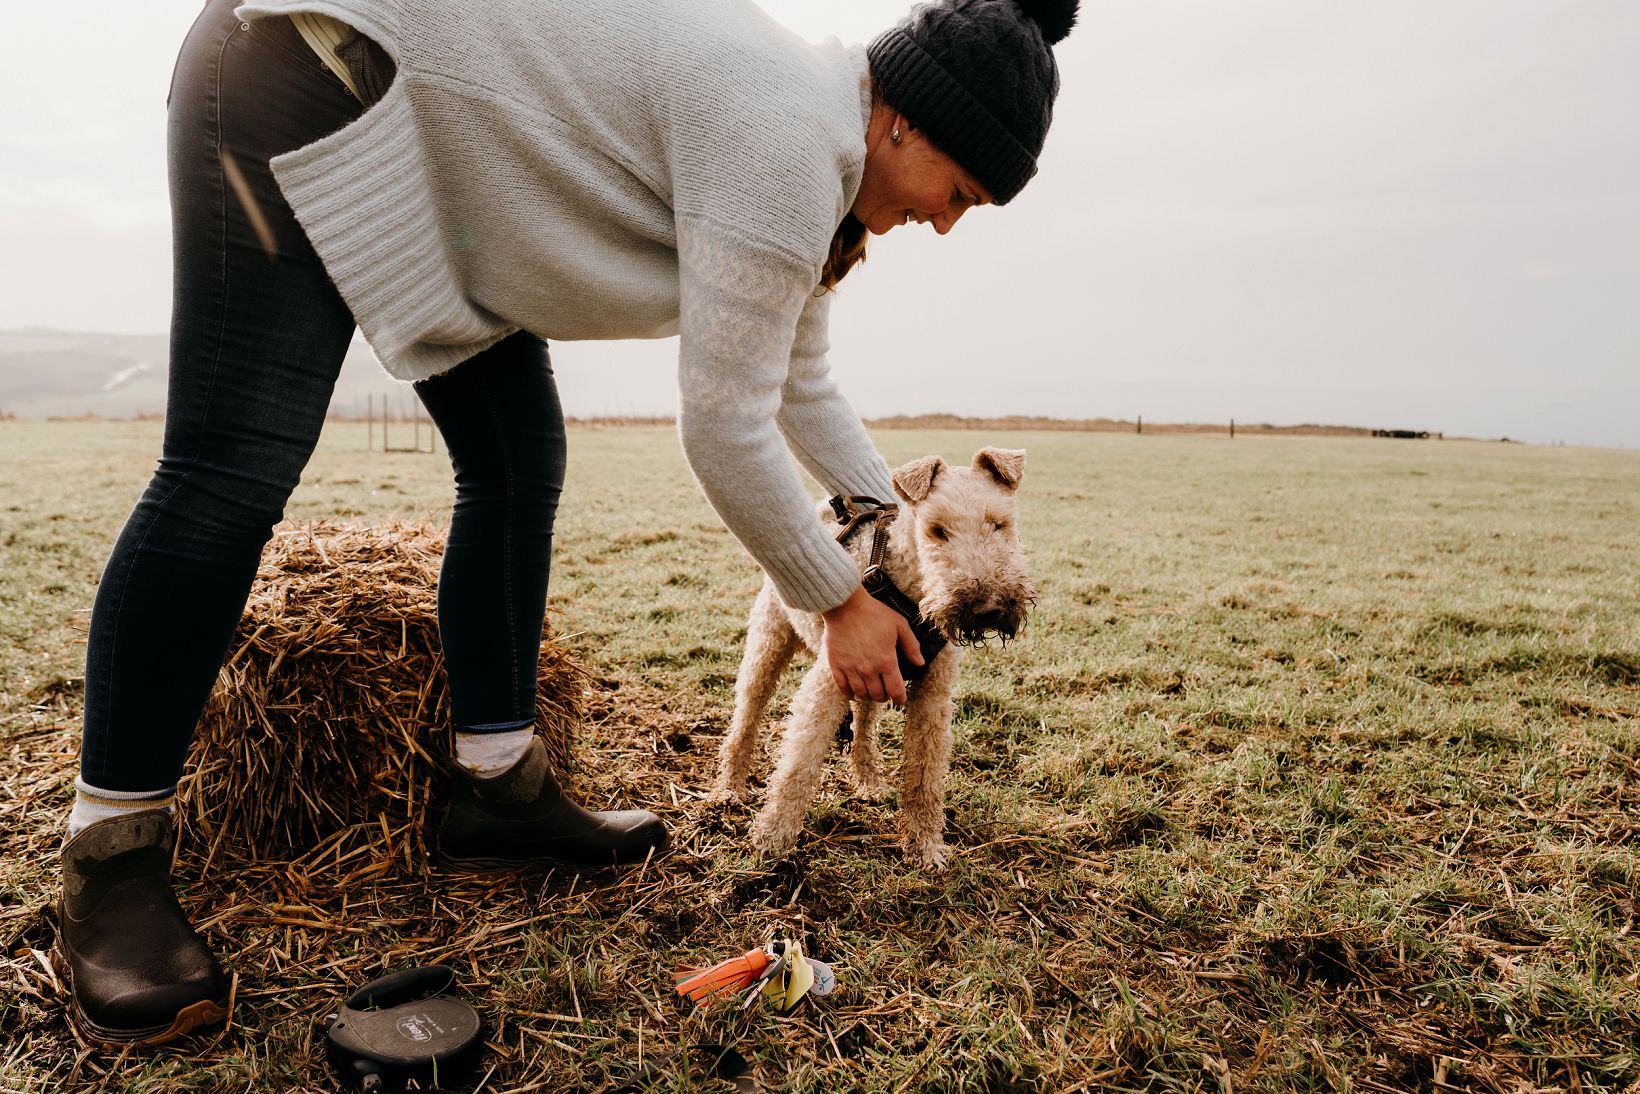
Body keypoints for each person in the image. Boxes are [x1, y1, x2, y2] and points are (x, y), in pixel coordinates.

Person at [57, 0, 1079, 1045]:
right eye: (956, 193)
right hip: (302, 65)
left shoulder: (821, 171)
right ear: (902, 121)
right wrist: (835, 602)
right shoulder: (784, 138)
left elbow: (796, 382)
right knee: (231, 464)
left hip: (433, 161)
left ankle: (495, 789)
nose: (947, 223)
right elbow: (724, 427)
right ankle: (113, 858)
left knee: (514, 456)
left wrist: (885, 525)